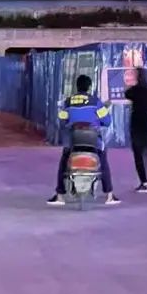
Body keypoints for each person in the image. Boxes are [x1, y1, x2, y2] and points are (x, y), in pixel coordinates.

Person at [48, 74, 119, 205]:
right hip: (93, 141)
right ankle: (109, 195)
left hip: (73, 140)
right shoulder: (96, 102)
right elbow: (107, 121)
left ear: (77, 86)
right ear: (89, 87)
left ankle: (59, 195)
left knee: (64, 162)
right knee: (103, 160)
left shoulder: (68, 102)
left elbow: (62, 121)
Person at [124, 67, 147, 191]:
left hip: (136, 125)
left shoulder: (134, 90)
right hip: (146, 125)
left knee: (137, 155)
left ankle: (144, 182)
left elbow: (126, 94)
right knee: (143, 149)